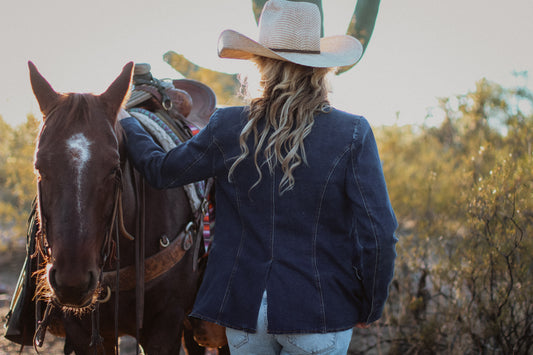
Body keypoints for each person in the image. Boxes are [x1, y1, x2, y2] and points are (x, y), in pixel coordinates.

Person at [118, 0, 398, 353]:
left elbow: (162, 170)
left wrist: (128, 119)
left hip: (245, 309)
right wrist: (370, 303)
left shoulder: (228, 125)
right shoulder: (352, 132)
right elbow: (380, 234)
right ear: (319, 70)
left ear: (259, 66)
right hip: (320, 310)